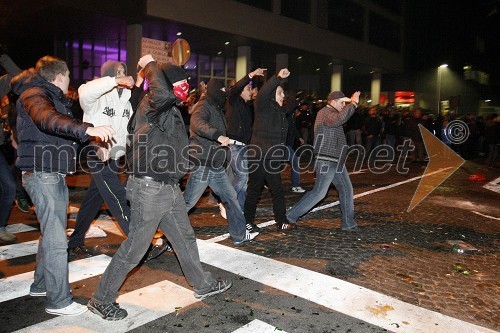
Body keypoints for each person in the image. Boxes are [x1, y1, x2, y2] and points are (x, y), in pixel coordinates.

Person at [88, 55, 232, 321]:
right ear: (164, 85)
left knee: (184, 238)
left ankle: (203, 284)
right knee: (135, 249)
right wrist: (152, 64)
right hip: (149, 189)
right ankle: (101, 298)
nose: (185, 87)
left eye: (187, 82)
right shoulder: (152, 105)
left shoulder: (170, 109)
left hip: (168, 188)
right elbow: (163, 93)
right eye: (179, 83)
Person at [10, 55, 115, 316]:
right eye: (68, 77)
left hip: (48, 172)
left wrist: (93, 144)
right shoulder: (36, 94)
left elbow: (61, 136)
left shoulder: (45, 94)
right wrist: (88, 129)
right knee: (57, 238)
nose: (69, 82)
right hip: (43, 174)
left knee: (50, 232)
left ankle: (41, 284)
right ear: (60, 76)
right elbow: (48, 120)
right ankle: (59, 301)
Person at [67, 61, 135, 258]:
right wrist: (114, 80)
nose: (123, 76)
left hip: (114, 156)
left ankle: (75, 241)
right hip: (96, 152)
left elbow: (125, 131)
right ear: (109, 75)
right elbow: (85, 92)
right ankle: (138, 243)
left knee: (93, 200)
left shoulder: (126, 101)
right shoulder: (95, 96)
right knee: (118, 197)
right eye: (118, 73)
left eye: (124, 72)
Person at [183, 78, 259, 245]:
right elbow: (197, 123)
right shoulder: (204, 106)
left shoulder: (217, 107)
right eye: (222, 89)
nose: (224, 92)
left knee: (231, 198)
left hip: (215, 164)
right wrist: (217, 135)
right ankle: (168, 234)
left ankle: (239, 235)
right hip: (203, 161)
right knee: (187, 202)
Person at [286, 90, 361, 231]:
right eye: (342, 102)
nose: (344, 105)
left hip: (335, 160)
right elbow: (339, 119)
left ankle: (348, 223)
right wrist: (353, 103)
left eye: (345, 102)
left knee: (346, 189)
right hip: (327, 160)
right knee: (319, 193)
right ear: (332, 102)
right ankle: (290, 216)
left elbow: (340, 119)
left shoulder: (332, 113)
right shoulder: (325, 113)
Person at [244, 68, 292, 231]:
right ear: (272, 94)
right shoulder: (262, 105)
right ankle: (248, 221)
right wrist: (277, 78)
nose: (283, 96)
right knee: (256, 190)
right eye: (279, 93)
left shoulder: (279, 111)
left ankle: (281, 221)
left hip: (271, 157)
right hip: (260, 156)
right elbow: (264, 92)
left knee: (273, 190)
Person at [225, 68, 265, 222]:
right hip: (234, 145)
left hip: (243, 146)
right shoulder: (233, 100)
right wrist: (251, 75)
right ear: (241, 91)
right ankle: (227, 203)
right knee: (242, 177)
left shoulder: (247, 106)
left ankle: (239, 211)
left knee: (244, 183)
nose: (251, 91)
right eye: (248, 89)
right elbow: (235, 88)